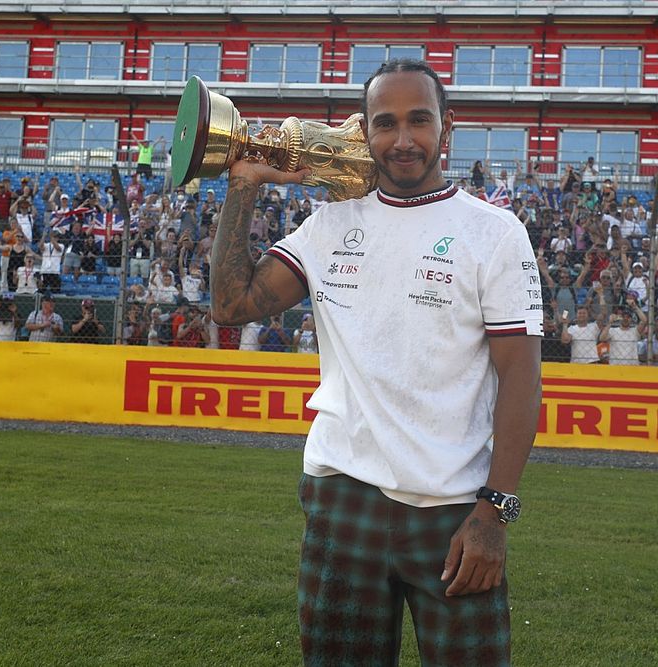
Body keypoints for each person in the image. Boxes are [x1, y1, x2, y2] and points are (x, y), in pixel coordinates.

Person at [209, 58, 541, 665]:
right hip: (341, 500)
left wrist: (496, 510)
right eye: (385, 123)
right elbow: (232, 305)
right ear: (364, 132)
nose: (404, 139)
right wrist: (244, 184)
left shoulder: (494, 233)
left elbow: (519, 376)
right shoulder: (328, 225)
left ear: (447, 128)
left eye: (420, 120)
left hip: (454, 510)